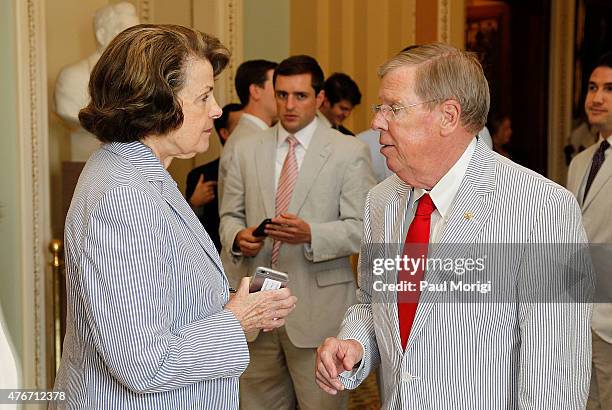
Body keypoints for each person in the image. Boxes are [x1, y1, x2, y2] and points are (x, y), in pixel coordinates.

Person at [316, 43, 591, 408]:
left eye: (393, 109)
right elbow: (371, 302)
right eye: (379, 108)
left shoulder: (543, 210)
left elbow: (557, 374)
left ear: (448, 116)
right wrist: (355, 346)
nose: (376, 122)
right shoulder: (381, 201)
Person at [53, 24, 296, 409]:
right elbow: (145, 363)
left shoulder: (141, 171)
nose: (217, 109)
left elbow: (160, 297)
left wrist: (231, 302)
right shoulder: (125, 196)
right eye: (203, 96)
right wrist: (237, 320)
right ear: (155, 103)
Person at [220, 55, 376, 410]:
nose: (289, 105)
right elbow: (229, 216)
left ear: (319, 98)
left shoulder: (348, 151)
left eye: (300, 96)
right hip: (256, 307)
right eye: (282, 95)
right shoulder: (245, 149)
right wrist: (237, 237)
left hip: (320, 313)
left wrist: (311, 234)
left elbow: (363, 229)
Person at [567, 51, 612, 410]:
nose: (597, 98)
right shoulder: (582, 160)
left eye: (610, 89)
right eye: (593, 87)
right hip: (580, 319)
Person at [54, 1, 140, 161]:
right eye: (124, 33)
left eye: (136, 34)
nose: (134, 42)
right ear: (101, 35)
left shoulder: (140, 80)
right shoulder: (73, 78)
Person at [218, 59, 278, 200]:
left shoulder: (257, 136)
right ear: (256, 91)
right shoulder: (246, 141)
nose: (284, 94)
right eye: (277, 86)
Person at [186, 103, 243, 251]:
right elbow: (188, 233)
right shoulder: (201, 175)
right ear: (224, 133)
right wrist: (194, 204)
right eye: (241, 126)